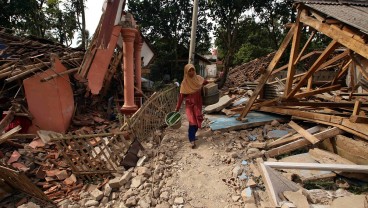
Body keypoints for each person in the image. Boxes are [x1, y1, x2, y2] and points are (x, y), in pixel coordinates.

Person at [175, 63, 208, 148]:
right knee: (192, 121)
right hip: (189, 105)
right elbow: (181, 97)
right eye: (189, 70)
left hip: (198, 103)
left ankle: (193, 135)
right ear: (186, 72)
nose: (192, 72)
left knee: (197, 121)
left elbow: (206, 83)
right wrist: (177, 108)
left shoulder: (198, 79)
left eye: (193, 70)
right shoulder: (184, 83)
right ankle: (192, 140)